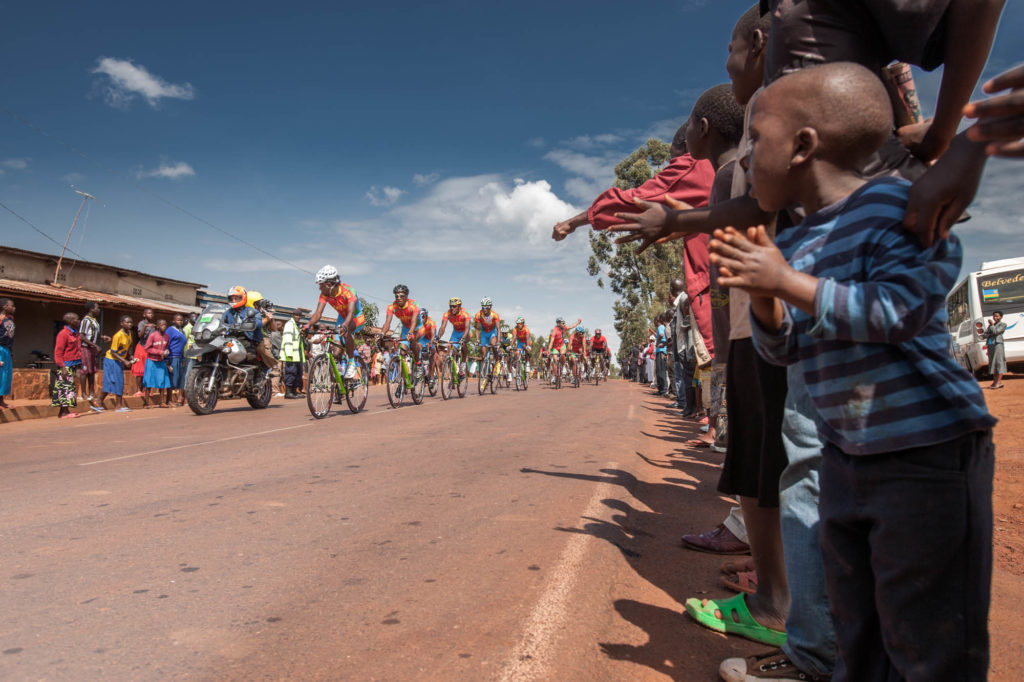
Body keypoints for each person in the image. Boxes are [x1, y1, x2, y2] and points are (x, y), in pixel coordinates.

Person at [710, 61, 996, 682]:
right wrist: (765, 299)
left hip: (925, 458)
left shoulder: (897, 205)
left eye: (758, 139)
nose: (748, 155)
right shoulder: (801, 241)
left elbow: (898, 310)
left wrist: (786, 281)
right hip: (847, 458)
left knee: (928, 640)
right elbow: (789, 355)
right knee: (857, 626)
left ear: (804, 147)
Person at [308, 266, 365, 379]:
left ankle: (352, 363)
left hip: (355, 317)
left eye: (321, 285)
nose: (319, 288)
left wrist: (344, 326)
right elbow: (318, 314)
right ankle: (339, 373)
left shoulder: (348, 291)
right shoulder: (325, 295)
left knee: (347, 330)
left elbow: (351, 312)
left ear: (328, 284)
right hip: (342, 318)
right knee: (337, 351)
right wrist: (307, 325)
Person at [379, 284, 423, 366]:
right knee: (402, 352)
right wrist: (382, 333)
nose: (399, 298)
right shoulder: (391, 307)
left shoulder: (414, 305)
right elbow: (387, 323)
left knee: (412, 340)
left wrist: (410, 333)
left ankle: (418, 363)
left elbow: (414, 322)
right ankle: (403, 376)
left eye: (402, 296)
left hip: (417, 328)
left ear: (406, 296)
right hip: (406, 327)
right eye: (396, 296)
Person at [99, 314, 134, 412]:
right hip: (111, 360)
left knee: (117, 381)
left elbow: (126, 348)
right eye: (127, 322)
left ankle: (99, 401)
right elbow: (113, 352)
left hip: (119, 360)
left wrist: (130, 356)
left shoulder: (130, 333)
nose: (129, 324)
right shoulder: (118, 335)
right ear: (122, 324)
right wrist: (124, 361)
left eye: (131, 322)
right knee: (114, 381)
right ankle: (117, 405)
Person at [78, 302, 109, 408]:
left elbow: (92, 334)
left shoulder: (94, 321)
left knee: (92, 371)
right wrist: (95, 345)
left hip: (92, 349)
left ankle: (91, 392)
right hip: (86, 348)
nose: (99, 310)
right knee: (85, 370)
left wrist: (102, 337)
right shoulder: (85, 320)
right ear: (91, 309)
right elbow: (82, 336)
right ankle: (83, 393)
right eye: (97, 308)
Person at [53, 312, 82, 419]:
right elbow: (58, 352)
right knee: (64, 388)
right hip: (66, 365)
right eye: (77, 319)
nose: (79, 321)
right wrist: (62, 367)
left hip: (74, 364)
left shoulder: (75, 333)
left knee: (70, 389)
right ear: (70, 321)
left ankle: (65, 411)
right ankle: (63, 412)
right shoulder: (63, 334)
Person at [142, 319, 172, 407]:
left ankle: (161, 402)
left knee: (162, 381)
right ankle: (146, 402)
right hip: (151, 360)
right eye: (162, 325)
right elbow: (147, 348)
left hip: (161, 361)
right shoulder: (153, 335)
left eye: (165, 325)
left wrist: (166, 352)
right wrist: (159, 352)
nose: (164, 327)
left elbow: (167, 347)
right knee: (148, 381)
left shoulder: (167, 336)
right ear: (158, 326)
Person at [438, 297, 472, 371]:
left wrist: (463, 339)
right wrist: (438, 337)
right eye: (450, 306)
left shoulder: (465, 314)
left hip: (466, 331)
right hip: (456, 332)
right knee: (450, 350)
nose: (452, 308)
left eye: (454, 306)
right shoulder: (447, 314)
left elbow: (467, 328)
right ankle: (452, 372)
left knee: (463, 343)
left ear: (459, 306)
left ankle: (463, 363)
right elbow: (442, 327)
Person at [280, 307, 307, 399]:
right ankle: (288, 392)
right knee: (291, 372)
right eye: (296, 315)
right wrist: (288, 353)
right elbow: (287, 338)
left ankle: (294, 391)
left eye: (299, 315)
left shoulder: (296, 325)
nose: (298, 317)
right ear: (293, 315)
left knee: (298, 373)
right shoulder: (289, 324)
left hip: (297, 354)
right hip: (291, 354)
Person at [166, 314, 188, 406]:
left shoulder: (181, 331)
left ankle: (178, 399)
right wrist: (167, 360)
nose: (180, 322)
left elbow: (183, 346)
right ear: (174, 320)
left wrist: (183, 358)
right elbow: (167, 344)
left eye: (181, 320)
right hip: (172, 357)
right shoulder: (170, 330)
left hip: (180, 357)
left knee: (179, 379)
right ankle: (169, 400)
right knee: (172, 379)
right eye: (178, 320)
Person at [473, 297, 501, 370]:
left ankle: (497, 361)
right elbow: (477, 328)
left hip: (492, 332)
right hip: (484, 333)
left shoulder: (495, 315)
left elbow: (498, 329)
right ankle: (485, 372)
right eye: (483, 307)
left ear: (490, 307)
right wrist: (477, 340)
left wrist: (498, 342)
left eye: (487, 307)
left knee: (493, 344)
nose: (484, 309)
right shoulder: (478, 315)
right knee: (483, 354)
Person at [985, 311, 1007, 389]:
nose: (995, 318)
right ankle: (995, 382)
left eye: (997, 316)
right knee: (992, 363)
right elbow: (985, 334)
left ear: (1001, 317)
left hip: (998, 345)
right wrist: (990, 331)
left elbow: (995, 332)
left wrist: (991, 325)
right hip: (991, 345)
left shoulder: (1003, 325)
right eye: (994, 316)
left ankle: (998, 382)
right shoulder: (990, 326)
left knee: (999, 362)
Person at [0, 298, 15, 410]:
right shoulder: (0, 319)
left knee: (5, 376)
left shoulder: (10, 319)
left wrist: (11, 351)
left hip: (7, 350)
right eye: (11, 305)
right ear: (4, 307)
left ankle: (1, 401)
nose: (14, 308)